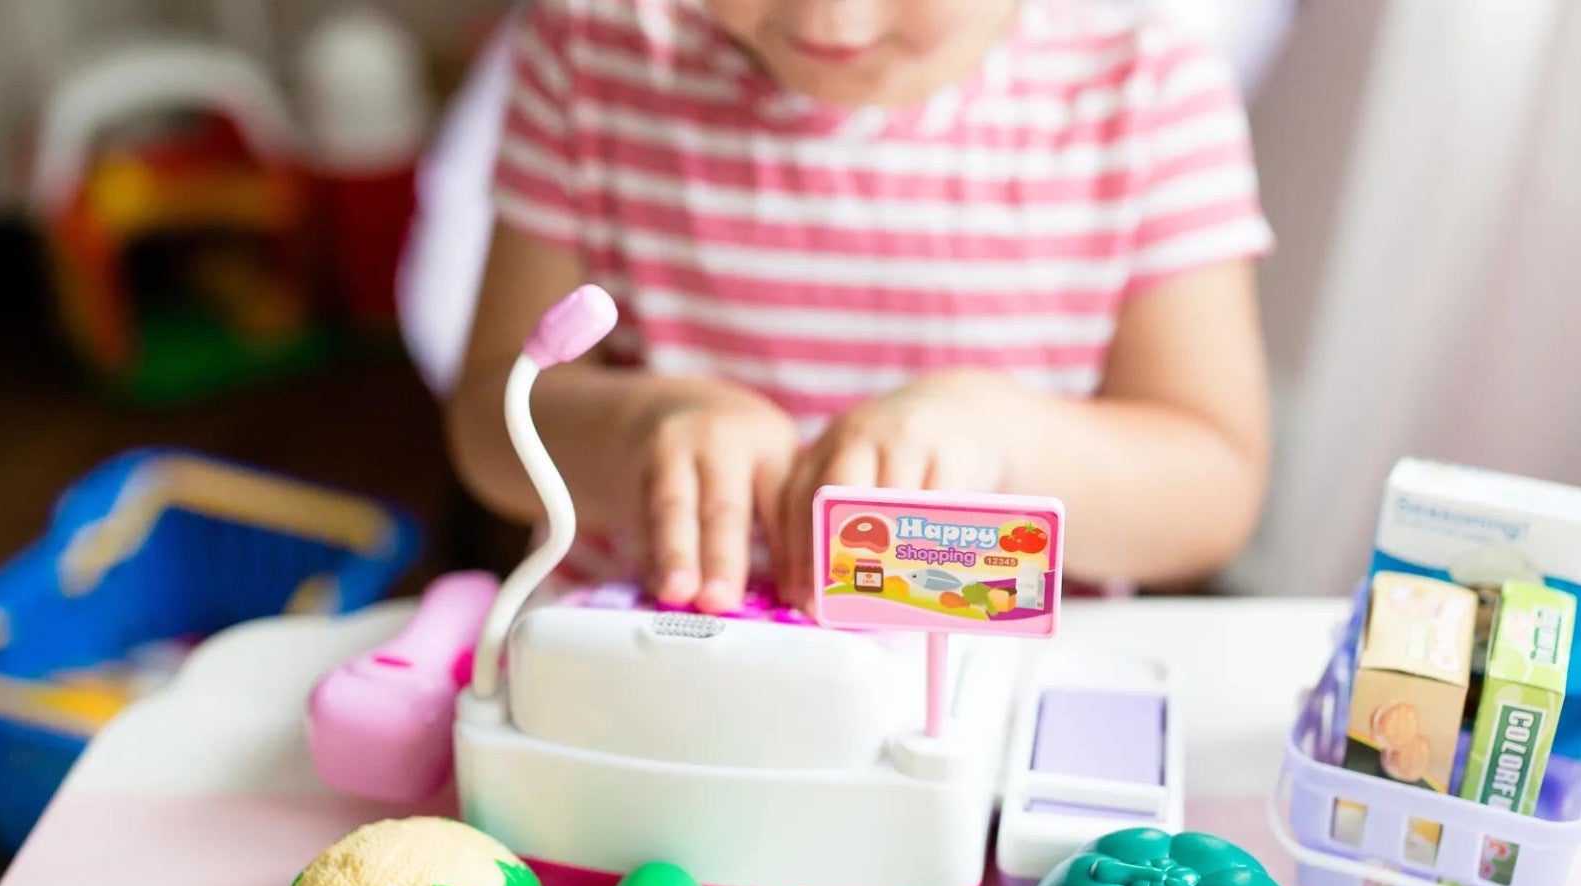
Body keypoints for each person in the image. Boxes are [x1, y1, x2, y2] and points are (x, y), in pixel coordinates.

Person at [447, 0, 1274, 614]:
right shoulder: (591, 50)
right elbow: (491, 419)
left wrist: (1002, 443)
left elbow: (1215, 489)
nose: (832, 23)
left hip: (987, 694)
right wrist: (636, 429)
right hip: (654, 668)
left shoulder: (1149, 93)